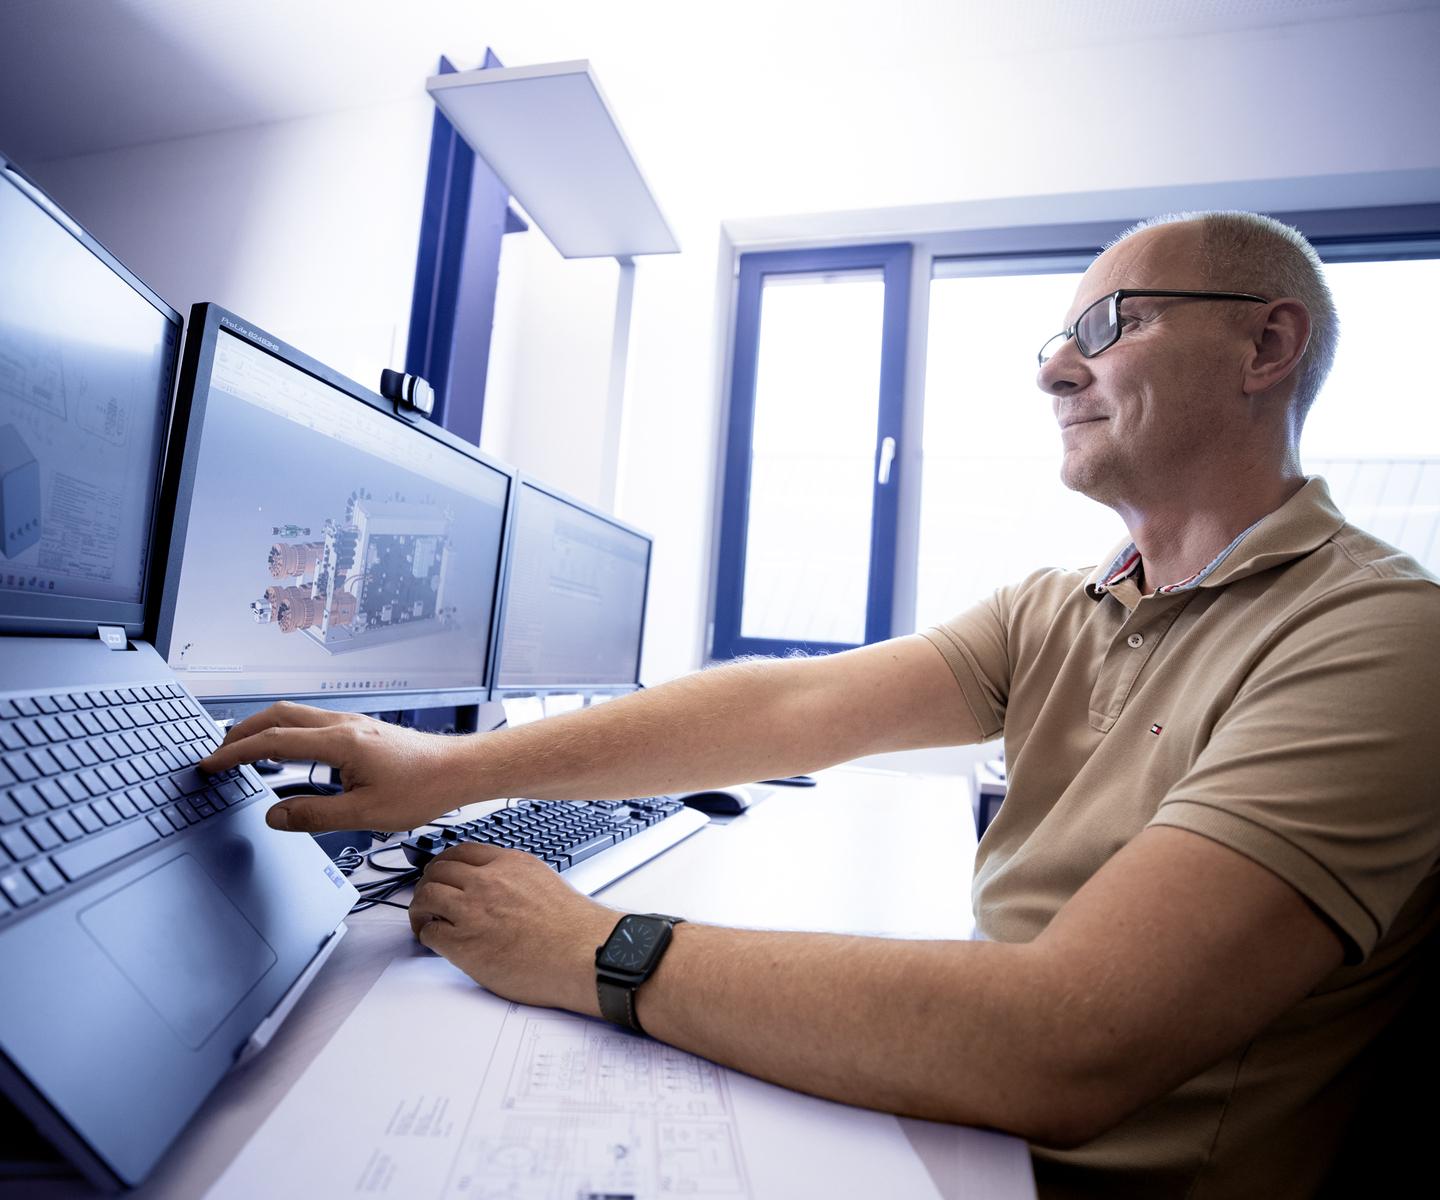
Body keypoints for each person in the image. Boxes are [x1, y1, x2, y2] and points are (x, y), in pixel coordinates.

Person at [201, 212, 1440, 1198]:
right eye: (1054, 340)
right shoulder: (1064, 606)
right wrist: (446, 769)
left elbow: (1073, 1041)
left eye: (1109, 323)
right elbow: (787, 709)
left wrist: (594, 948)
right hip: (959, 1127)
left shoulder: (1376, 638)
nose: (1060, 366)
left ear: (1266, 347)